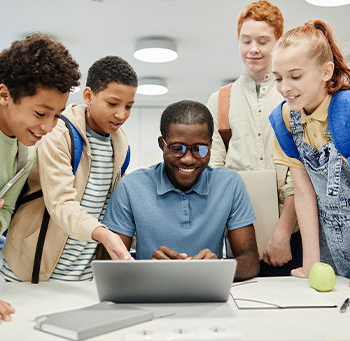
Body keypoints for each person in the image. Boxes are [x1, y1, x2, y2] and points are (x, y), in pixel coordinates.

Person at [1, 55, 137, 283]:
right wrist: (105, 235)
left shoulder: (121, 146)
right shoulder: (57, 134)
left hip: (83, 275)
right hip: (31, 271)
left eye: (129, 106)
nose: (121, 114)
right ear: (88, 96)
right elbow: (61, 203)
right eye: (112, 104)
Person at [102, 100, 260, 281]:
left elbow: (251, 261)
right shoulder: (130, 187)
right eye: (177, 149)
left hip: (208, 289)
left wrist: (217, 268)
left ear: (210, 146)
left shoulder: (230, 184)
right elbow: (110, 265)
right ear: (162, 144)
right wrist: (147, 269)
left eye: (199, 149)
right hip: (151, 289)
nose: (188, 160)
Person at [206, 0, 301, 276]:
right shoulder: (220, 100)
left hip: (292, 232)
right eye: (246, 40)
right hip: (236, 231)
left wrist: (282, 234)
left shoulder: (292, 97)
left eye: (263, 40)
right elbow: (215, 170)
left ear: (278, 42)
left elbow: (300, 171)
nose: (253, 49)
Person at [0, 33, 80, 322]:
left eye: (57, 115)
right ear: (4, 95)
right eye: (40, 113)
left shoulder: (26, 154)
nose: (49, 127)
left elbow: (6, 210)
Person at [269, 19, 350, 279]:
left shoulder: (346, 111)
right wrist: (312, 265)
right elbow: (304, 194)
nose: (285, 87)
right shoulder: (284, 119)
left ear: (326, 71)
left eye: (295, 76)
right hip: (331, 245)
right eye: (279, 78)